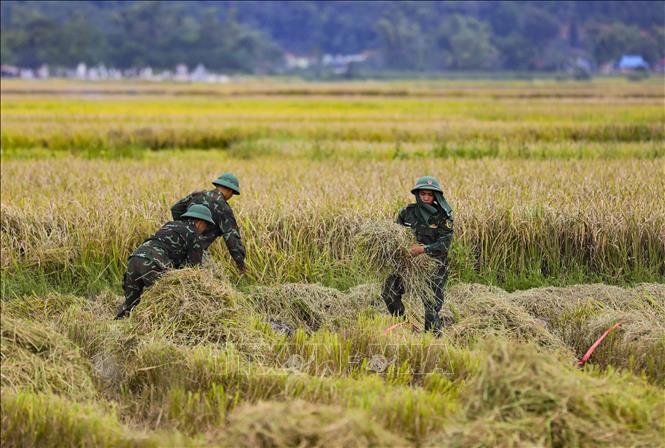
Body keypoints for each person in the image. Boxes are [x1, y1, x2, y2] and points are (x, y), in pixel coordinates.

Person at [114, 204, 215, 319]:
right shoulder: (194, 234)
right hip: (154, 261)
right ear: (201, 222)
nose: (204, 229)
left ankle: (118, 326)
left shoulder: (170, 225)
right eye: (206, 225)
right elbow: (194, 269)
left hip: (135, 257)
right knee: (168, 298)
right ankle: (158, 328)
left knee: (129, 305)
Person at [381, 176, 454, 335]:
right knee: (389, 292)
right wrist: (400, 250)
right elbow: (395, 236)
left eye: (430, 194)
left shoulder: (443, 217)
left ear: (435, 196)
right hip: (407, 265)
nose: (426, 197)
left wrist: (423, 249)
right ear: (417, 194)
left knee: (431, 307)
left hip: (434, 267)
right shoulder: (407, 213)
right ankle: (405, 325)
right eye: (423, 194)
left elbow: (444, 245)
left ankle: (433, 341)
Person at [171, 173, 246, 273]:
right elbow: (232, 239)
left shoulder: (197, 195)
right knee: (212, 275)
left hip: (179, 241)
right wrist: (241, 265)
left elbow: (175, 209)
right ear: (229, 191)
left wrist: (183, 227)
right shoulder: (224, 208)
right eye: (232, 194)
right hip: (198, 248)